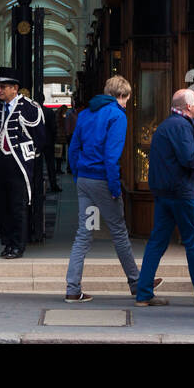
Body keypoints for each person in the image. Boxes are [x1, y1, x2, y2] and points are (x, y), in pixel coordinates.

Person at [134, 88, 194, 308]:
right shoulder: (182, 126)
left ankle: (143, 293)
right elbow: (190, 159)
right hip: (180, 193)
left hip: (162, 193)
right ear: (188, 106)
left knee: (157, 241)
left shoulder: (165, 125)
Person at [63, 75, 140, 302]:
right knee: (119, 232)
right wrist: (115, 188)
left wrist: (78, 176)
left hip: (85, 181)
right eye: (126, 99)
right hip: (103, 182)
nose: (126, 103)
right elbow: (111, 156)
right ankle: (137, 283)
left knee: (84, 234)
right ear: (121, 95)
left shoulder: (85, 114)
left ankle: (73, 288)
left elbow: (74, 149)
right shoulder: (117, 115)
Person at [0, 68, 47, 259]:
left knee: (18, 206)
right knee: (2, 206)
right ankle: (8, 243)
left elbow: (40, 139)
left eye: (3, 87)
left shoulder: (29, 107)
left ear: (14, 88)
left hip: (18, 165)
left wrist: (30, 159)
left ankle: (18, 245)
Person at [40, 101, 61, 192]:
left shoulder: (32, 110)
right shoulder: (49, 111)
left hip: (37, 142)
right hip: (48, 141)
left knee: (37, 165)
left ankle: (37, 185)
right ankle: (53, 184)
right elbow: (54, 127)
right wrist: (53, 138)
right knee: (50, 165)